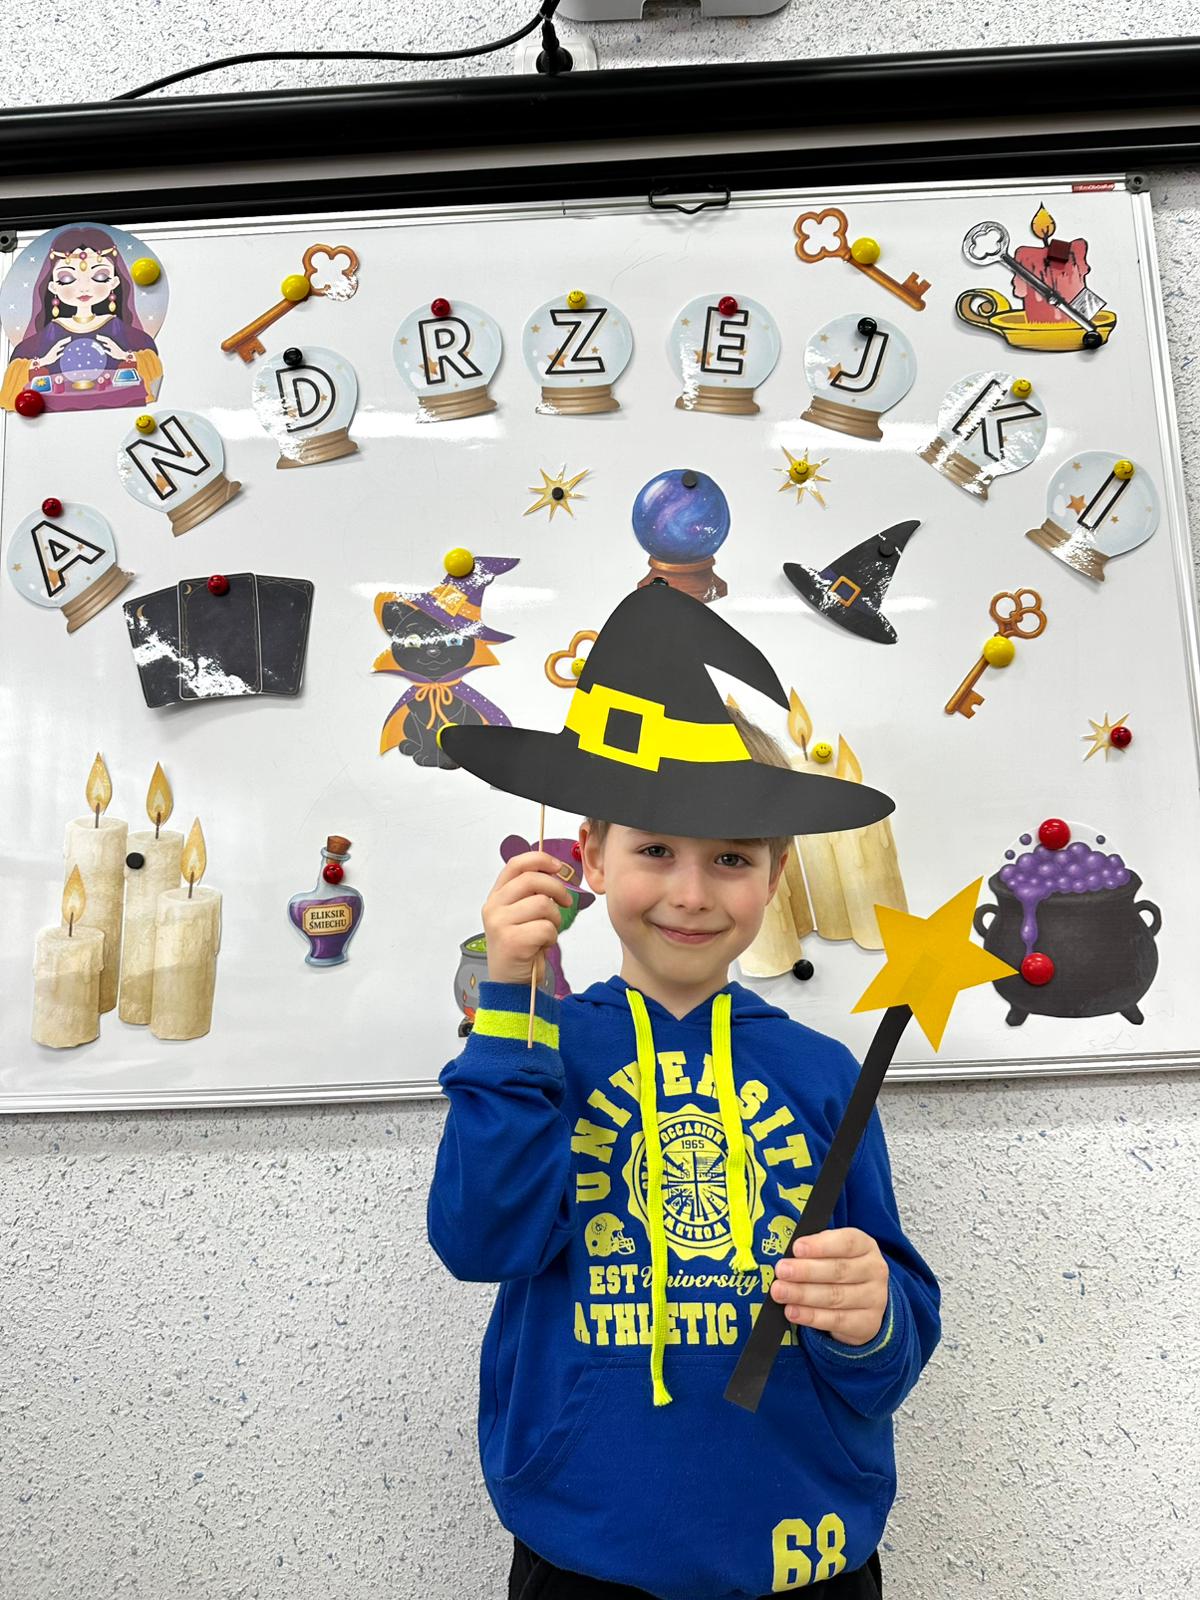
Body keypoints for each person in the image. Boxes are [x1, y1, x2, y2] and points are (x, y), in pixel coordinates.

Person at [428, 581, 941, 1599]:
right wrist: (510, 1008)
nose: (692, 892)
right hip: (586, 1552)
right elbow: (480, 1242)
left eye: (732, 858)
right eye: (656, 848)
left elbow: (892, 1341)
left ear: (775, 875)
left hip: (806, 1552)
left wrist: (875, 1311)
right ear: (590, 855)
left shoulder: (820, 1072)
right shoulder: (540, 1048)